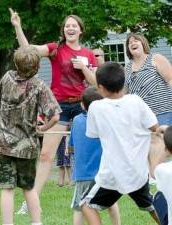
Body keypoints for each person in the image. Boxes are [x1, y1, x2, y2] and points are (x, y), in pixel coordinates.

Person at [9, 9, 98, 215]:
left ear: (81, 30)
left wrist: (84, 68)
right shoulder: (55, 49)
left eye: (74, 25)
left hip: (83, 106)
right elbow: (28, 51)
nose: (70, 28)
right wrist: (17, 26)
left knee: (84, 154)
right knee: (46, 155)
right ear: (64, 30)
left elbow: (95, 83)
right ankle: (31, 202)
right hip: (59, 106)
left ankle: (89, 196)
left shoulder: (88, 53)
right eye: (67, 25)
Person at [81, 62, 160, 225]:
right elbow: (155, 127)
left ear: (100, 88)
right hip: (138, 172)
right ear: (123, 83)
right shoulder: (136, 101)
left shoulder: (96, 107)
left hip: (111, 176)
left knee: (86, 205)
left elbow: (93, 134)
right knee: (151, 205)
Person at [0, 45, 61, 225]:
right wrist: (43, 128)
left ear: (16, 63)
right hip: (27, 145)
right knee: (28, 187)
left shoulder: (6, 78)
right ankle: (36, 223)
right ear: (37, 66)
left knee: (7, 188)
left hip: (4, 143)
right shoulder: (39, 85)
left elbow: (0, 106)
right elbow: (55, 116)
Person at [69, 87, 120, 225]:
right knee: (111, 203)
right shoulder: (107, 121)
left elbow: (71, 147)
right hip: (104, 173)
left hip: (83, 174)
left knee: (79, 207)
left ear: (82, 104)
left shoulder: (77, 120)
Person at [124, 33, 172, 176]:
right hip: (141, 118)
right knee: (149, 151)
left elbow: (170, 80)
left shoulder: (155, 59)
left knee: (162, 149)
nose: (133, 43)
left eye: (136, 40)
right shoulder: (126, 68)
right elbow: (125, 94)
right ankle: (155, 180)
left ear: (143, 43)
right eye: (129, 42)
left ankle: (161, 179)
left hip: (163, 111)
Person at [154, 125, 172, 225]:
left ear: (167, 150)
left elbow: (154, 170)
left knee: (158, 197)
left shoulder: (164, 170)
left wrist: (163, 145)